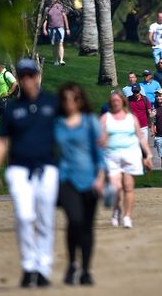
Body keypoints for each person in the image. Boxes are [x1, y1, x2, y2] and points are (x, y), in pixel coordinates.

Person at [0, 59, 58, 288]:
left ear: (37, 76)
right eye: (22, 76)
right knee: (25, 217)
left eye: (30, 75)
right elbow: (2, 141)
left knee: (46, 218)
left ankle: (43, 267)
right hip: (19, 169)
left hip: (46, 168)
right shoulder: (14, 109)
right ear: (19, 78)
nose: (26, 79)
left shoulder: (51, 102)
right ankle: (29, 266)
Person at [55, 83, 105, 286]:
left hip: (90, 179)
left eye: (74, 98)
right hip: (66, 180)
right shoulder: (57, 123)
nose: (69, 102)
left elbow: (100, 155)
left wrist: (100, 179)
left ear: (80, 101)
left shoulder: (90, 122)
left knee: (87, 226)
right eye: (66, 99)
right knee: (74, 220)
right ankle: (72, 264)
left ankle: (85, 269)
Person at [101, 91, 153, 229]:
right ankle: (116, 209)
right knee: (116, 187)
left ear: (123, 102)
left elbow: (141, 137)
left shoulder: (131, 118)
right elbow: (99, 139)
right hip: (112, 156)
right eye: (113, 100)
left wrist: (148, 154)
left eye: (118, 100)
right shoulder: (106, 118)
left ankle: (127, 216)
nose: (116, 102)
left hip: (130, 155)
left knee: (128, 187)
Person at [42, 0, 70, 66]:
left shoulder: (60, 7)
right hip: (51, 28)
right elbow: (45, 20)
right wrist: (44, 29)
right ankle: (55, 60)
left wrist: (67, 28)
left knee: (60, 43)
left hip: (60, 27)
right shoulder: (47, 9)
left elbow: (64, 17)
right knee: (54, 44)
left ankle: (61, 60)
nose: (53, 0)